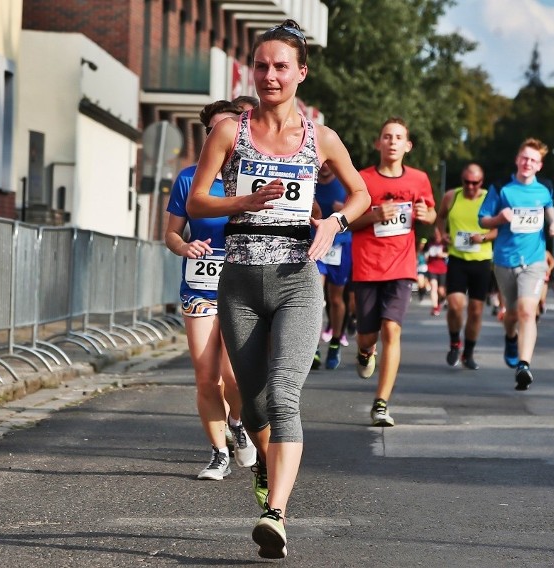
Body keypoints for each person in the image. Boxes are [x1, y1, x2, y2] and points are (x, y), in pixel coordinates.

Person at [186, 20, 370, 560]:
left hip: (296, 282)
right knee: (257, 402)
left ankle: (276, 515)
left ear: (301, 73)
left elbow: (359, 194)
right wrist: (240, 203)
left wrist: (335, 222)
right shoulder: (230, 132)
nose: (270, 75)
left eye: (281, 66)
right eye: (262, 66)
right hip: (239, 283)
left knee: (286, 395)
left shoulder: (320, 138)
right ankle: (264, 464)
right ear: (251, 70)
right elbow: (197, 202)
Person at [163, 100, 257, 481]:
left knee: (232, 377)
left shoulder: (251, 179)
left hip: (240, 285)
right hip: (200, 286)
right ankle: (219, 453)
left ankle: (237, 422)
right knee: (206, 377)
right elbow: (171, 233)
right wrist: (184, 246)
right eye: (213, 130)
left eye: (228, 128)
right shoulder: (189, 179)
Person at [350, 116, 436, 426]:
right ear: (378, 143)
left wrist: (428, 214)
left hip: (402, 266)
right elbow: (347, 220)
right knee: (368, 334)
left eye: (398, 137)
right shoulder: (362, 179)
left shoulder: (419, 179)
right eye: (387, 136)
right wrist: (373, 215)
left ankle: (381, 403)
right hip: (367, 265)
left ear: (408, 145)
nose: (392, 142)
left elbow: (430, 210)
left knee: (392, 329)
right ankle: (364, 351)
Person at [479, 138, 554, 391]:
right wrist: (498, 219)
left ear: (539, 165)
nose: (528, 163)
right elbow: (483, 220)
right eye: (524, 158)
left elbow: (549, 208)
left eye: (533, 160)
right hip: (504, 260)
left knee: (527, 311)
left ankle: (524, 365)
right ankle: (510, 337)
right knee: (511, 313)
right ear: (517, 160)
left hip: (534, 260)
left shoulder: (545, 188)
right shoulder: (501, 187)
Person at [434, 163, 496, 369]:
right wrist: (441, 234)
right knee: (454, 305)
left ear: (481, 181)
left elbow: (500, 229)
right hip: (458, 259)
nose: (470, 187)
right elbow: (440, 218)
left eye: (475, 183)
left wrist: (484, 237)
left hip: (482, 260)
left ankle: (468, 353)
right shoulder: (452, 196)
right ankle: (454, 343)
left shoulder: (490, 198)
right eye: (466, 182)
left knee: (476, 311)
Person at [313, 163, 353, 370]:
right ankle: (314, 347)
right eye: (322, 163)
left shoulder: (345, 182)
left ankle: (336, 342)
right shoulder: (309, 180)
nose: (325, 167)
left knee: (336, 299)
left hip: (340, 244)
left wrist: (344, 213)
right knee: (316, 297)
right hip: (316, 244)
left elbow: (360, 208)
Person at [425, 238, 448, 315]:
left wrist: (442, 255)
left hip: (442, 269)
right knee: (433, 287)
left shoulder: (445, 242)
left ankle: (440, 301)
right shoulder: (429, 242)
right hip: (431, 268)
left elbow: (450, 253)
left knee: (441, 291)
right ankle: (435, 307)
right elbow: (424, 252)